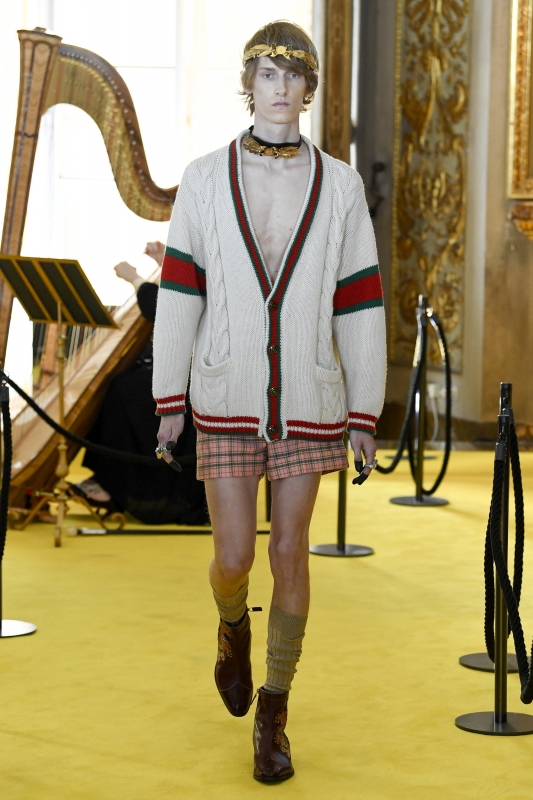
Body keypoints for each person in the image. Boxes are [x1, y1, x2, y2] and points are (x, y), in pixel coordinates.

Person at [152, 20, 386, 782]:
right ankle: (231, 626)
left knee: (289, 551)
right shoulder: (202, 178)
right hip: (225, 391)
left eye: (293, 75)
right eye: (267, 73)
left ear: (308, 89)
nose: (280, 87)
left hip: (309, 399)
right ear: (248, 84)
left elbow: (359, 300)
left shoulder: (340, 185)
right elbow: (180, 290)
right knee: (233, 558)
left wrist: (363, 412)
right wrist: (169, 398)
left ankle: (274, 710)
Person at [74, 242, 207, 525]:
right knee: (125, 384)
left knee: (123, 389)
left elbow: (164, 309)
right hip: (189, 366)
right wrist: (164, 264)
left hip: (201, 373)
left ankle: (115, 485)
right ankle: (106, 479)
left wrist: (134, 278)